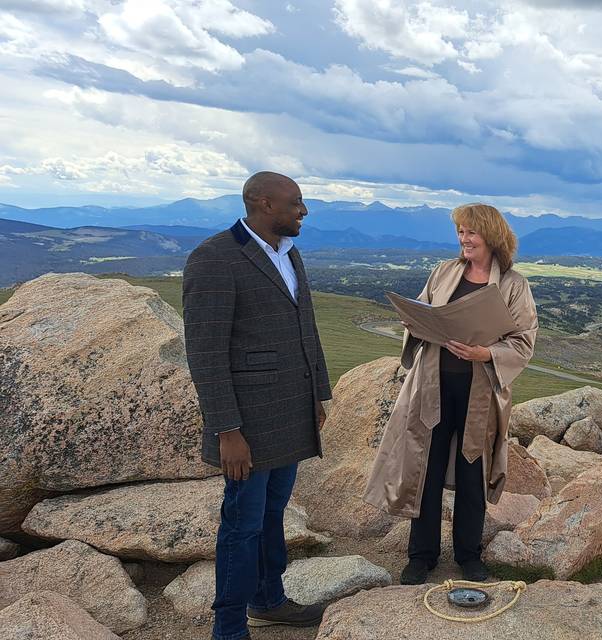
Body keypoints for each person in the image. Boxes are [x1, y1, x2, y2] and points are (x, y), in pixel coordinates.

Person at [183, 171, 332, 640]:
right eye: (296, 203)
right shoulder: (213, 258)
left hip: (289, 413)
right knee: (241, 525)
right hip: (246, 425)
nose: (303, 211)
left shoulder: (289, 253)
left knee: (272, 515)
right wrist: (227, 429)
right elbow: (206, 353)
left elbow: (304, 327)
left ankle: (269, 600)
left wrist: (317, 395)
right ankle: (228, 627)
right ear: (264, 204)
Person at [363, 203, 538, 585]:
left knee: (472, 470)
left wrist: (486, 353)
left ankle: (468, 555)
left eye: (470, 232)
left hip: (479, 390)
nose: (463, 239)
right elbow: (423, 311)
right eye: (460, 232)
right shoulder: (443, 272)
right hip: (434, 384)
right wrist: (414, 320)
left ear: (491, 236)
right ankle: (421, 556)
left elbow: (523, 341)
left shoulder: (513, 284)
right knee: (425, 465)